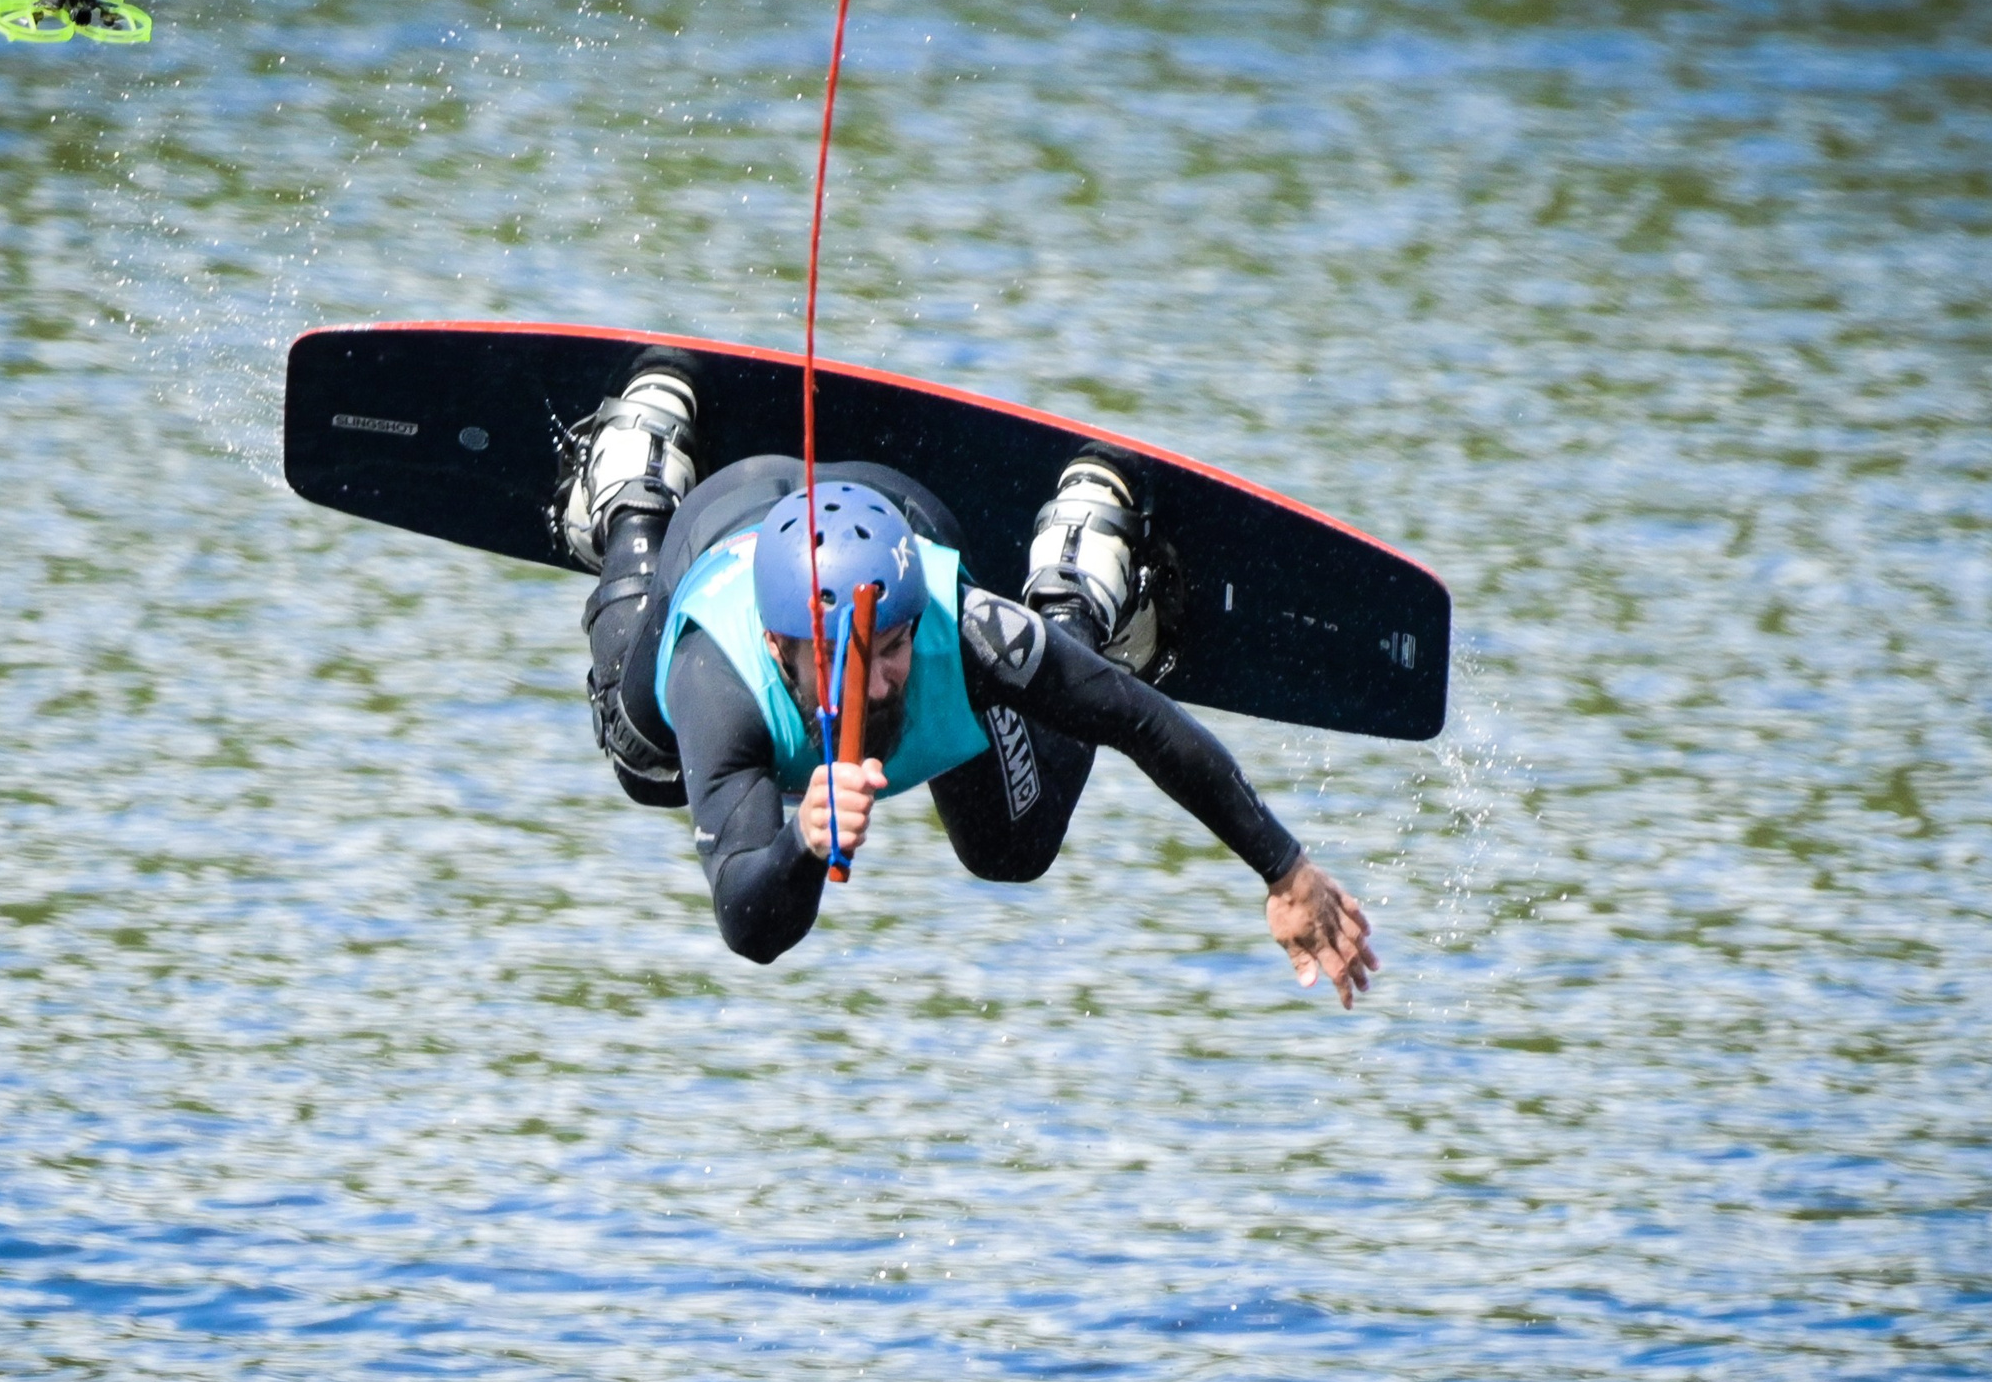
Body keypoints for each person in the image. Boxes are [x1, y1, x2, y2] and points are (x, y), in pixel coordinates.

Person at [554, 349, 1380, 1002]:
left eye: (892, 647)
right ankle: (638, 476)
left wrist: (1284, 866)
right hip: (719, 524)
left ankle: (1081, 565)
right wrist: (802, 843)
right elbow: (750, 924)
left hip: (900, 514)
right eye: (846, 657)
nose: (879, 681)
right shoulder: (718, 677)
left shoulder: (965, 627)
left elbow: (1136, 718)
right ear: (781, 651)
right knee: (644, 762)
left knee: (1012, 848)